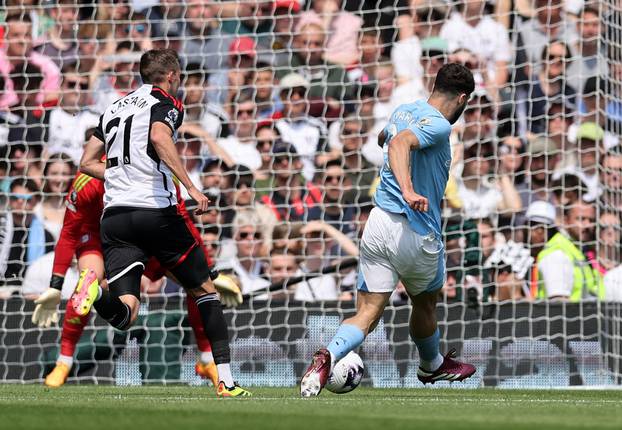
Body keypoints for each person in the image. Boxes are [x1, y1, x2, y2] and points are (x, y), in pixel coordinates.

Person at [77, 49, 251, 397]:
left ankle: (96, 292)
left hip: (114, 217)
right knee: (205, 291)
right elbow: (159, 137)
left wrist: (120, 174)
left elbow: (85, 162)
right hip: (155, 212)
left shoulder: (113, 108)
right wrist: (190, 186)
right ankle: (226, 381)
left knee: (127, 312)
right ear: (172, 75)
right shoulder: (166, 101)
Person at [300, 63, 476, 397]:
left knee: (366, 313)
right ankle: (432, 365)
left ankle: (328, 355)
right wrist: (409, 190)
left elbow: (386, 137)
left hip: (378, 222)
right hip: (415, 230)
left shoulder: (404, 109)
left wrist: (392, 144)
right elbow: (398, 146)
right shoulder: (439, 125)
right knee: (424, 304)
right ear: (463, 98)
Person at [30, 170, 236, 388]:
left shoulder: (159, 174)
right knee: (89, 279)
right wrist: (55, 285)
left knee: (195, 283)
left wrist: (209, 271)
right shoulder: (88, 181)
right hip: (98, 236)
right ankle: (65, 360)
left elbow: (184, 221)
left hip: (144, 234)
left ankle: (206, 359)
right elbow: (70, 231)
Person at [534, 200, 603, 301]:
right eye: (581, 219)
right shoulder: (557, 253)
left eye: (591, 220)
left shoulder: (578, 250)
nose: (588, 225)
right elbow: (558, 303)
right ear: (565, 221)